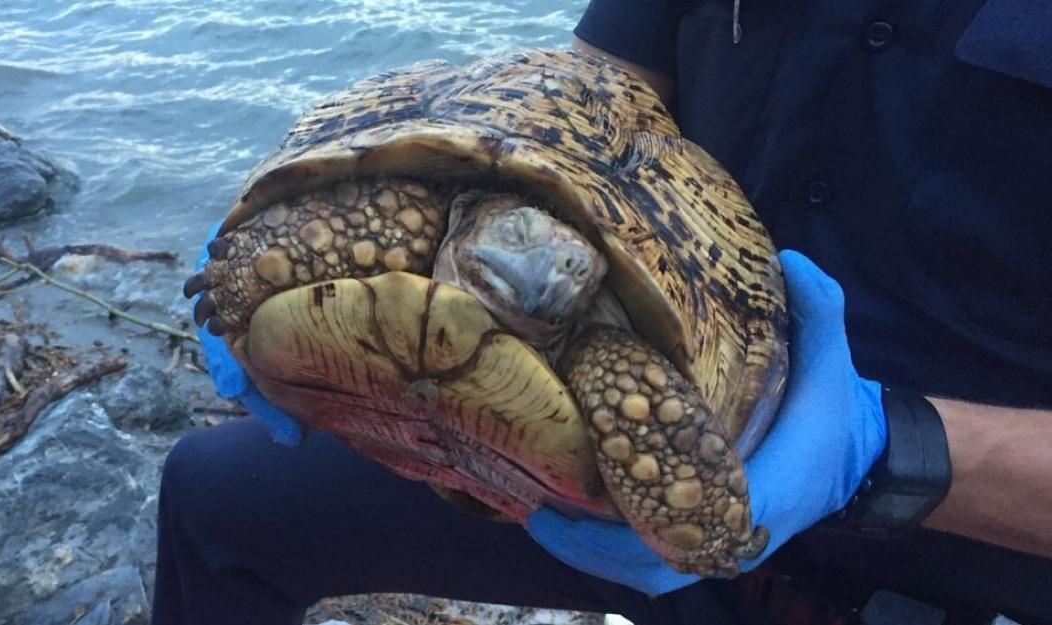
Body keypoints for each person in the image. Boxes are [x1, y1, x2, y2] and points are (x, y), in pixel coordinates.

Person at [152, 1, 1052, 623]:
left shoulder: (611, 356)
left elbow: (678, 461)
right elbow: (592, 97)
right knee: (211, 498)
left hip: (953, 564)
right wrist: (266, 253)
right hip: (591, 479)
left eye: (563, 276)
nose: (551, 281)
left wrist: (882, 448)